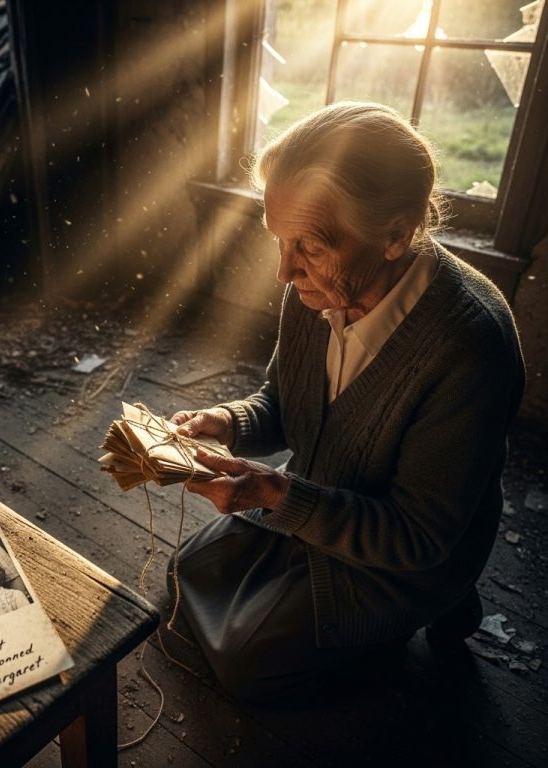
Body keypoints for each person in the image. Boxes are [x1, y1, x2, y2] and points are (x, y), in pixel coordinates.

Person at [168, 101, 525, 704]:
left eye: (309, 244)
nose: (284, 270)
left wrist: (276, 494)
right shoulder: (319, 285)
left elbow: (416, 535)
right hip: (316, 495)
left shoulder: (472, 343)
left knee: (243, 661)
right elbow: (283, 404)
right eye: (279, 240)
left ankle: (423, 615)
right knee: (185, 581)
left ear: (397, 235)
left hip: (408, 553)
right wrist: (226, 423)